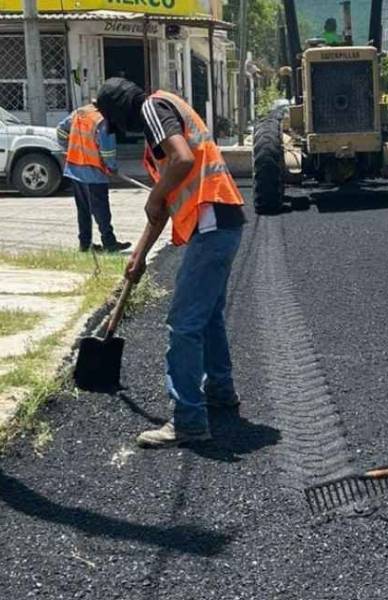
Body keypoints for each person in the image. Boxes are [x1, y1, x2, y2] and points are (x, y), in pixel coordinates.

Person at [95, 78, 246, 449]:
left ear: (122, 111)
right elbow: (160, 207)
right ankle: (221, 391)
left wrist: (157, 193)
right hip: (222, 223)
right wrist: (140, 255)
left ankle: (189, 421)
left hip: (211, 223)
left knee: (184, 324)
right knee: (207, 316)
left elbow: (183, 160)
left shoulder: (153, 109)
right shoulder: (161, 128)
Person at [56, 103, 130, 253]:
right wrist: (112, 167)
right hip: (93, 173)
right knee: (101, 211)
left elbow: (60, 131)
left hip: (75, 169)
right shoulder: (102, 121)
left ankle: (85, 244)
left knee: (83, 210)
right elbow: (108, 151)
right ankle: (109, 244)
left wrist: (67, 149)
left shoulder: (80, 112)